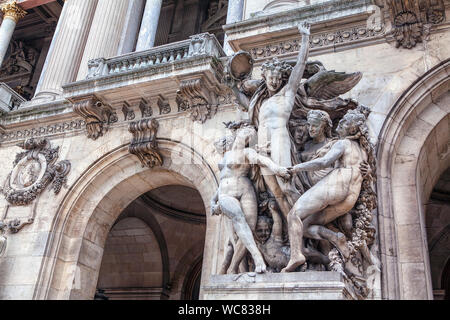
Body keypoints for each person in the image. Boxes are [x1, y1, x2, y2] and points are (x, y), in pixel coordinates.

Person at [282, 108, 372, 272]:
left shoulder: (343, 143)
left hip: (336, 185)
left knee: (293, 215)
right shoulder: (363, 152)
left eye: (345, 122)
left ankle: (296, 255)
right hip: (349, 199)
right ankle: (336, 238)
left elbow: (324, 162)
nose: (341, 123)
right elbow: (365, 173)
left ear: (352, 129)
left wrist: (296, 168)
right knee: (304, 226)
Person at [211, 121, 290, 274]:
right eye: (245, 133)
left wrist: (277, 169)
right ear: (239, 134)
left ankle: (234, 267)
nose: (246, 136)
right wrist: (213, 201)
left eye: (249, 135)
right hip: (226, 193)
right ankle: (257, 256)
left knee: (250, 227)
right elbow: (222, 179)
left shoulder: (247, 153)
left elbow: (263, 161)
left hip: (246, 190)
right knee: (238, 218)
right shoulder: (226, 155)